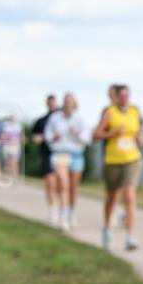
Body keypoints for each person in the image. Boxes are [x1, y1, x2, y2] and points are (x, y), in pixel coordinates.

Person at [92, 84, 143, 251]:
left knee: (129, 196)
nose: (124, 99)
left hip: (132, 159)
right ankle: (107, 228)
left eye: (127, 96)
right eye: (121, 96)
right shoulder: (109, 113)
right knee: (112, 198)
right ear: (116, 96)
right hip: (113, 160)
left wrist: (141, 137)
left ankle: (130, 236)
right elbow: (96, 135)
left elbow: (140, 131)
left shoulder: (135, 112)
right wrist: (112, 134)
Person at [44, 93, 89, 231]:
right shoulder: (55, 118)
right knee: (64, 184)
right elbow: (48, 135)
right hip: (60, 153)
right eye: (66, 102)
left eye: (71, 102)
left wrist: (77, 133)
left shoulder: (80, 119)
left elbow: (87, 138)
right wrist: (53, 137)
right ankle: (63, 217)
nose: (68, 104)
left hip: (76, 154)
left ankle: (71, 213)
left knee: (73, 187)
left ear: (74, 104)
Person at [31, 95, 60, 224]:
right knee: (50, 182)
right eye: (50, 103)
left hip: (61, 153)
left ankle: (62, 207)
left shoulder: (62, 119)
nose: (52, 105)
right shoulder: (42, 120)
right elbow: (34, 136)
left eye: (54, 102)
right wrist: (39, 138)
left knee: (60, 183)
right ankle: (51, 208)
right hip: (46, 153)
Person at [1, 115, 23, 180]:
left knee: (14, 162)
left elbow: (21, 136)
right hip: (7, 146)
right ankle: (8, 176)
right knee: (7, 162)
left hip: (15, 146)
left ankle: (15, 176)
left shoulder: (18, 126)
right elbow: (3, 136)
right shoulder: (6, 126)